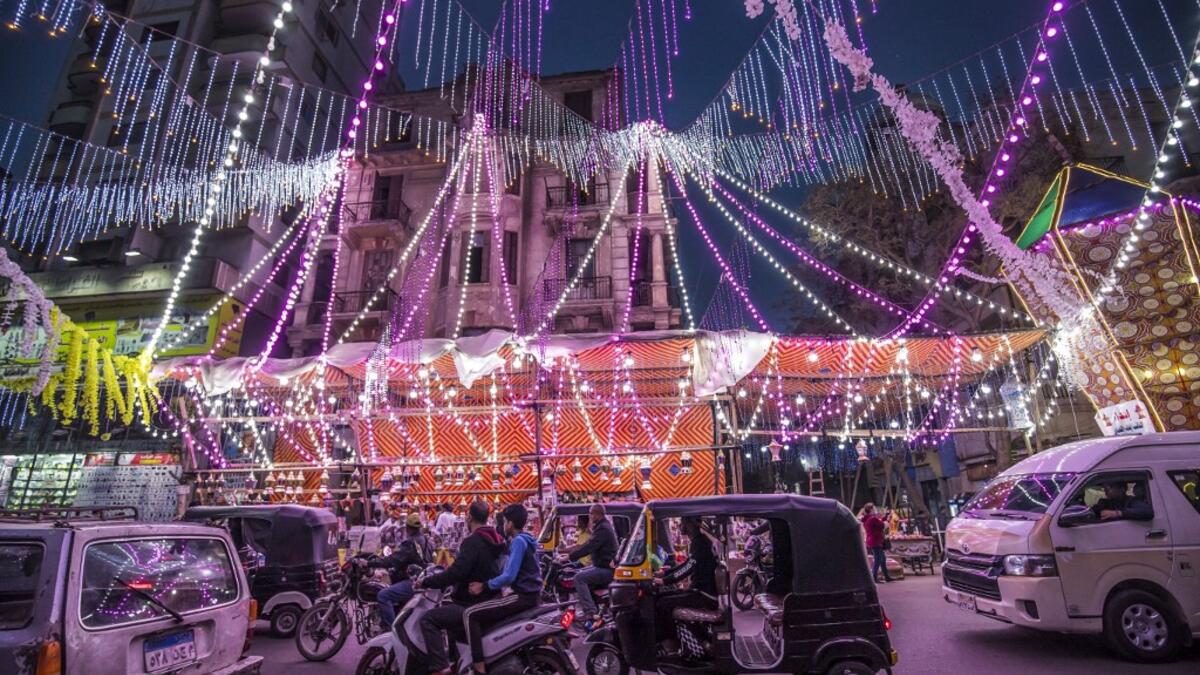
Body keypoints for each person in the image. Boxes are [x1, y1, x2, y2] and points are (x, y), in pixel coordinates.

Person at [414, 501, 505, 675]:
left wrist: (426, 582)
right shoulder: (496, 539)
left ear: (469, 517)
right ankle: (457, 662)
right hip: (491, 598)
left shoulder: (473, 542)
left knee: (428, 620)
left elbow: (456, 573)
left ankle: (441, 668)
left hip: (472, 603)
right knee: (448, 613)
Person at [462, 504, 542, 674]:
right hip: (532, 595)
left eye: (505, 521)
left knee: (470, 614)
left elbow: (509, 576)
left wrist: (484, 585)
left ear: (510, 524)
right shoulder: (528, 539)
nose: (503, 525)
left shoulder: (518, 542)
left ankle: (479, 667)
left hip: (522, 596)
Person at [655, 516, 719, 658]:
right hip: (699, 591)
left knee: (661, 603)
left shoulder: (700, 543)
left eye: (683, 522)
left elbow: (689, 567)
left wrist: (664, 581)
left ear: (691, 524)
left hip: (703, 594)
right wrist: (664, 573)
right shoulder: (700, 541)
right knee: (660, 597)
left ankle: (670, 645)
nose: (680, 525)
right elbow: (687, 564)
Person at [366, 513, 433, 630]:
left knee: (383, 595)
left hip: (414, 582)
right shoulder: (427, 541)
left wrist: (369, 563)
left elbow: (393, 559)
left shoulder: (410, 543)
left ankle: (393, 632)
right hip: (424, 578)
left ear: (407, 528)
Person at [566, 503, 619, 630]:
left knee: (579, 578)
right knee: (579, 572)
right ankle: (596, 612)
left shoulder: (603, 528)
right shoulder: (602, 527)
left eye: (591, 513)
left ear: (597, 513)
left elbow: (590, 546)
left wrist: (569, 557)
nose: (589, 516)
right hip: (602, 566)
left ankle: (591, 613)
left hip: (607, 570)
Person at [861, 503, 892, 583]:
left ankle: (886, 576)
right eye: (874, 508)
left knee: (882, 559)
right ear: (871, 509)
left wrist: (884, 517)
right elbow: (882, 525)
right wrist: (887, 520)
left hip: (872, 540)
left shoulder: (867, 518)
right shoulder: (872, 519)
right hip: (875, 540)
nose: (875, 510)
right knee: (878, 559)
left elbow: (879, 523)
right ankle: (873, 577)